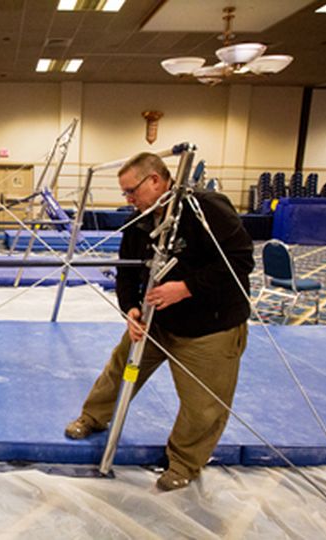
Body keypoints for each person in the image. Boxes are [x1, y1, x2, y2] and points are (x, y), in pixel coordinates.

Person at [64, 152, 253, 491]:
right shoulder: (141, 218)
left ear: (155, 180)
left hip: (210, 326)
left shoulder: (207, 208)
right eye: (125, 193)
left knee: (203, 405)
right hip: (156, 321)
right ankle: (93, 417)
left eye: (131, 191)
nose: (128, 199)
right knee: (119, 369)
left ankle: (183, 462)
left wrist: (187, 288)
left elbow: (240, 261)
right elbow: (127, 268)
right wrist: (130, 309)